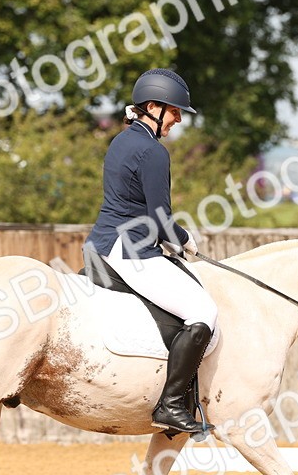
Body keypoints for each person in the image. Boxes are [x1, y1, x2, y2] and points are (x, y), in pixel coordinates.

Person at [84, 68, 218, 435]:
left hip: (100, 246)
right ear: (154, 107)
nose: (177, 120)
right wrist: (184, 238)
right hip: (130, 253)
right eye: (174, 112)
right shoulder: (153, 152)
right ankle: (171, 404)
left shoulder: (122, 141)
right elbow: (160, 218)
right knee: (204, 310)